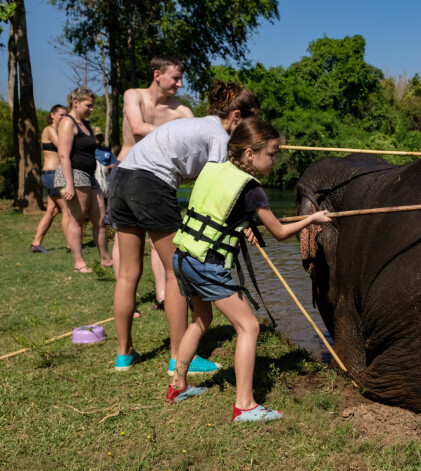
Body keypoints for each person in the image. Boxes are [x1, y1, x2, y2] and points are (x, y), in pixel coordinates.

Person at [165, 118, 331, 422]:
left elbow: (219, 211)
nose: (275, 160)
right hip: (206, 264)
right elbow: (280, 232)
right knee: (249, 327)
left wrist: (242, 228)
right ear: (250, 154)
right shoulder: (251, 189)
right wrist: (313, 219)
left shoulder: (214, 169)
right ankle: (245, 406)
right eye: (272, 153)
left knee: (201, 319)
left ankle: (178, 385)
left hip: (183, 257)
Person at [109, 79, 261, 373]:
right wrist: (246, 222)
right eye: (250, 122)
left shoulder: (199, 125)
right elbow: (222, 187)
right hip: (150, 184)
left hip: (122, 177)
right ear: (236, 117)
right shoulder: (219, 135)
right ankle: (180, 359)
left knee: (128, 273)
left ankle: (124, 354)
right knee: (174, 271)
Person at [112, 55, 194, 312]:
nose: (180, 85)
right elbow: (137, 128)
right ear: (157, 75)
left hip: (159, 179)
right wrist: (176, 133)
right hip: (124, 172)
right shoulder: (133, 95)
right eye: (175, 78)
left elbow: (194, 142)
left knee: (160, 241)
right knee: (123, 243)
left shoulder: (181, 111)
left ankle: (163, 294)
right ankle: (129, 302)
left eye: (181, 78)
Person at [55, 87, 112, 273]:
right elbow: (63, 155)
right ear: (76, 102)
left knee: (100, 218)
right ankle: (79, 263)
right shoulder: (67, 123)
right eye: (88, 105)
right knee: (77, 218)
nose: (92, 109)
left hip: (90, 175)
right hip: (73, 174)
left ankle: (106, 259)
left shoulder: (85, 125)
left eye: (93, 105)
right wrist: (69, 184)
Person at [30, 104, 68, 253]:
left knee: (52, 211)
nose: (64, 118)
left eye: (66, 115)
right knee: (67, 210)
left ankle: (36, 244)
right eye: (61, 115)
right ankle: (71, 245)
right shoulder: (49, 130)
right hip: (51, 175)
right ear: (52, 115)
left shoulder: (60, 131)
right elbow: (62, 146)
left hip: (57, 174)